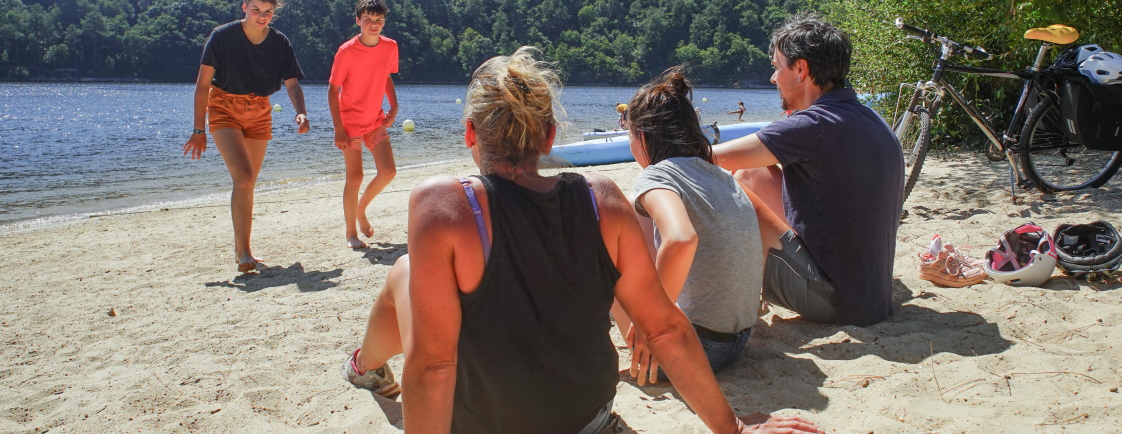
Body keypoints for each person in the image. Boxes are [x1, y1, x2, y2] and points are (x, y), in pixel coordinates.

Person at [339, 47, 824, 434]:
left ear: (470, 133)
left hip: (487, 423)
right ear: (550, 137)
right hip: (587, 421)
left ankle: (365, 367)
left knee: (404, 273)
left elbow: (432, 368)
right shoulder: (602, 199)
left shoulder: (442, 206)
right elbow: (665, 329)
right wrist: (733, 428)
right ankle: (365, 365)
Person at [713, 14, 904, 327]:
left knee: (731, 183)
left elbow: (710, 158)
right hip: (873, 298)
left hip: (835, 303)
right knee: (752, 175)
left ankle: (738, 299)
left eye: (777, 67)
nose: (773, 78)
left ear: (801, 69)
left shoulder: (811, 126)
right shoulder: (871, 119)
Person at [611, 68, 765, 385]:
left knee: (604, 236)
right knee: (634, 210)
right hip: (737, 341)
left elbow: (681, 240)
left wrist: (652, 322)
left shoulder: (657, 176)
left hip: (694, 350)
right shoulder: (718, 174)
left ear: (641, 137)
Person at [182, 0, 310, 272]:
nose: (262, 17)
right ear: (244, 7)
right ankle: (243, 253)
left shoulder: (279, 43)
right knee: (242, 176)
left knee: (248, 182)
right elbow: (202, 85)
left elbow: (292, 83)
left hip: (260, 111)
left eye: (268, 12)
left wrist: (301, 111)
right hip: (224, 107)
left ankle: (244, 248)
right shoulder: (222, 36)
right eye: (256, 10)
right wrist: (198, 130)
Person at [327, 0, 400, 249]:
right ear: (358, 20)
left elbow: (387, 77)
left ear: (384, 22)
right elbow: (332, 91)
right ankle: (350, 234)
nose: (373, 24)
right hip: (349, 124)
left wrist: (394, 104)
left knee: (389, 171)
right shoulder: (346, 52)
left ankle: (360, 210)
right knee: (355, 177)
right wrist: (338, 128)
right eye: (368, 19)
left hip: (374, 120)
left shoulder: (390, 46)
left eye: (378, 19)